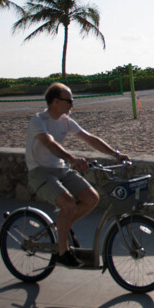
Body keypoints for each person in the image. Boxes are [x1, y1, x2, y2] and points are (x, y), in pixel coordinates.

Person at [25, 83, 130, 267]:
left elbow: (89, 138)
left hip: (59, 168)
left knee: (91, 198)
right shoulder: (38, 120)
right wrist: (72, 158)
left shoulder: (65, 121)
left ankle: (62, 228)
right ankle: (62, 252)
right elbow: (49, 143)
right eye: (69, 101)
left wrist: (115, 154)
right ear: (55, 101)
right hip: (39, 171)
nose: (72, 105)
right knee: (68, 203)